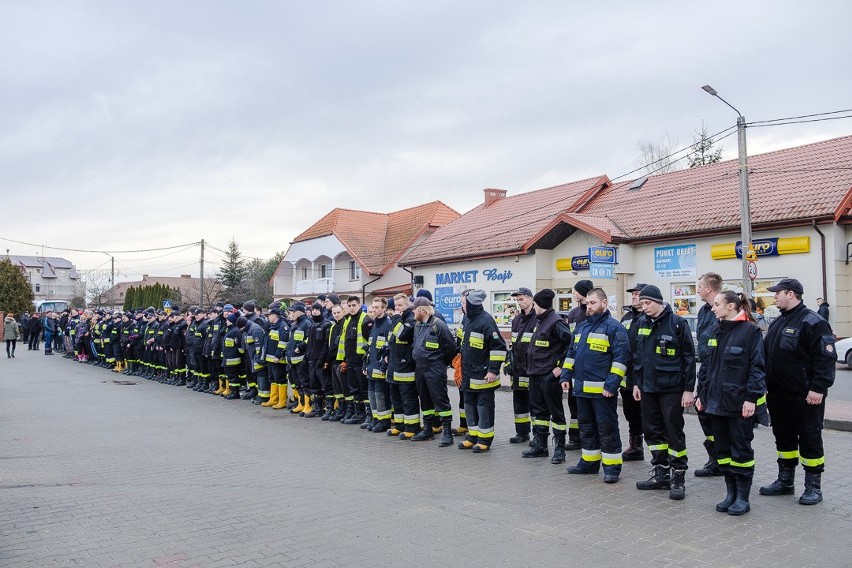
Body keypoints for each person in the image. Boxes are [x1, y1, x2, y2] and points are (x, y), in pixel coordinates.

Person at [759, 278, 836, 505]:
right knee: (783, 437)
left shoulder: (813, 321)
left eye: (778, 293)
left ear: (791, 294)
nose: (775, 297)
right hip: (778, 394)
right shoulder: (777, 322)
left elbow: (826, 358)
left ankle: (813, 487)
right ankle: (785, 481)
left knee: (810, 438)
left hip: (805, 395)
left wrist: (818, 388)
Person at [695, 291, 766, 516]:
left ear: (732, 306)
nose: (713, 308)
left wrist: (751, 399)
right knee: (723, 451)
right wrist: (701, 394)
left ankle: (742, 498)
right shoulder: (717, 329)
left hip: (738, 405)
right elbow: (707, 366)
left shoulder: (750, 331)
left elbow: (757, 369)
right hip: (716, 404)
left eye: (717, 304)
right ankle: (730, 494)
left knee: (741, 451)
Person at [632, 284, 696, 501]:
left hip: (671, 389)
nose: (644, 308)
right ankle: (661, 473)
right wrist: (636, 384)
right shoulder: (641, 322)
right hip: (648, 387)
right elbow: (638, 357)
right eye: (642, 304)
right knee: (652, 431)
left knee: (673, 432)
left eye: (648, 303)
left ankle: (678, 476)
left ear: (658, 301)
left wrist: (688, 389)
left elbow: (689, 358)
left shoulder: (677, 323)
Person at [561, 288, 629, 483]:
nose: (589, 307)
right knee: (587, 428)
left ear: (604, 303)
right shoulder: (581, 327)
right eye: (587, 303)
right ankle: (589, 463)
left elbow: (621, 359)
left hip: (602, 392)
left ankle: (612, 468)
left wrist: (611, 385)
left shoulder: (614, 328)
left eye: (593, 303)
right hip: (581, 390)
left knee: (607, 429)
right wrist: (565, 375)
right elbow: (571, 354)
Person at [521, 288, 572, 464]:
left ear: (540, 305)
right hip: (535, 374)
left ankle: (559, 449)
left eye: (534, 304)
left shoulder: (556, 322)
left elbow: (570, 346)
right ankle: (540, 445)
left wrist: (560, 367)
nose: (533, 307)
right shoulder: (540, 320)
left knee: (556, 413)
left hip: (549, 376)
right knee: (538, 411)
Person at [457, 289, 507, 453]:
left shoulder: (486, 321)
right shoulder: (467, 320)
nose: (462, 305)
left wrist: (493, 370)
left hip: (484, 376)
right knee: (469, 406)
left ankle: (484, 439)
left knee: (484, 408)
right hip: (469, 374)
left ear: (471, 304)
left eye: (464, 303)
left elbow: (499, 347)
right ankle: (473, 436)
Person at [411, 297, 457, 446]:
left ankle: (447, 432)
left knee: (440, 400)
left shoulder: (439, 325)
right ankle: (428, 429)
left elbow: (450, 347)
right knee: (424, 399)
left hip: (435, 368)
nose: (412, 311)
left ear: (422, 310)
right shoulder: (417, 325)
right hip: (420, 368)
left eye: (414, 309)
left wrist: (441, 363)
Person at [694, 272, 725, 478]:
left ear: (708, 288)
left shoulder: (724, 308)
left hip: (720, 370)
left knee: (718, 416)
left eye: (698, 286)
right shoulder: (705, 310)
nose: (696, 290)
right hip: (705, 369)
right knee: (703, 412)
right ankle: (715, 458)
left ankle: (724, 459)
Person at [563, 279, 594, 450]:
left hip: (587, 366)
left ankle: (586, 437)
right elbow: (570, 338)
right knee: (573, 404)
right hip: (574, 364)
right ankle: (575, 437)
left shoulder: (591, 313)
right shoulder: (574, 313)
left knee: (585, 406)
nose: (573, 293)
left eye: (575, 290)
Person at [620, 283, 647, 461]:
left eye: (638, 294)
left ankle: (658, 451)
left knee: (647, 414)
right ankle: (635, 446)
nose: (634, 297)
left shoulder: (650, 316)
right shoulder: (627, 317)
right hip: (627, 376)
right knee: (630, 413)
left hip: (644, 375)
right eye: (633, 294)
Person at [507, 287, 536, 444]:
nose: (520, 303)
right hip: (517, 370)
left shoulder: (538, 318)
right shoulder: (516, 320)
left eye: (522, 299)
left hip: (532, 370)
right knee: (519, 403)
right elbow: (513, 345)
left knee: (535, 403)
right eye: (518, 300)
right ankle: (522, 433)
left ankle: (538, 435)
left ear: (530, 299)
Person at [365, 297, 393, 431]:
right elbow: (371, 345)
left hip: (380, 368)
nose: (374, 310)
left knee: (381, 395)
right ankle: (376, 418)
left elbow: (388, 348)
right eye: (373, 307)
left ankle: (384, 421)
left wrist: (384, 365)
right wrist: (366, 362)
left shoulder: (388, 324)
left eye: (377, 308)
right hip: (372, 366)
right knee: (371, 394)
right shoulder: (374, 324)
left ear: (384, 309)